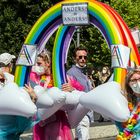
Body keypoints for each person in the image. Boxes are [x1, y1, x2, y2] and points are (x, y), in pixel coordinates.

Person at [30, 50, 73, 140]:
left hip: (57, 120)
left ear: (48, 63)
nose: (36, 67)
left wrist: (71, 89)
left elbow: (70, 97)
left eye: (39, 63)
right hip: (41, 122)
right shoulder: (36, 79)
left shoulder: (60, 78)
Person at [66, 47, 94, 140]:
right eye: (80, 57)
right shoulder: (70, 73)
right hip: (80, 112)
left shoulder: (85, 73)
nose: (83, 59)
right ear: (75, 58)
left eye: (85, 57)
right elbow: (67, 91)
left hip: (86, 112)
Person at [116, 68, 140, 140]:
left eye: (139, 78)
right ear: (128, 85)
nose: (138, 82)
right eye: (133, 80)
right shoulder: (126, 105)